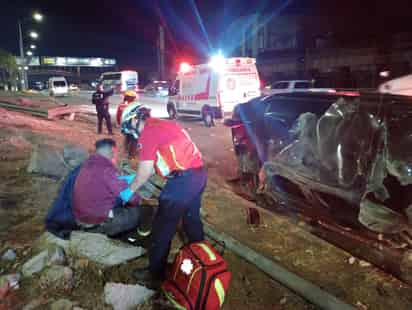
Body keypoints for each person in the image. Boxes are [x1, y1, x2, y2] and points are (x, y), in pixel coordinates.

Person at [119, 103, 207, 286]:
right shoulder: (161, 124)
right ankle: (202, 262)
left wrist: (128, 191)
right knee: (192, 221)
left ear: (135, 120)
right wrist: (131, 178)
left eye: (128, 129)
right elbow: (151, 168)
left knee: (161, 228)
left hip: (182, 181)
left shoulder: (148, 133)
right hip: (198, 175)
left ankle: (154, 274)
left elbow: (145, 173)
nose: (131, 135)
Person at [72, 138, 141, 236]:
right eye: (116, 152)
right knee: (138, 211)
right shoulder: (107, 170)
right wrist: (138, 199)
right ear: (112, 151)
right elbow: (130, 197)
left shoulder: (88, 164)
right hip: (94, 222)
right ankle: (128, 237)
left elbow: (107, 183)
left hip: (81, 217)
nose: (117, 156)